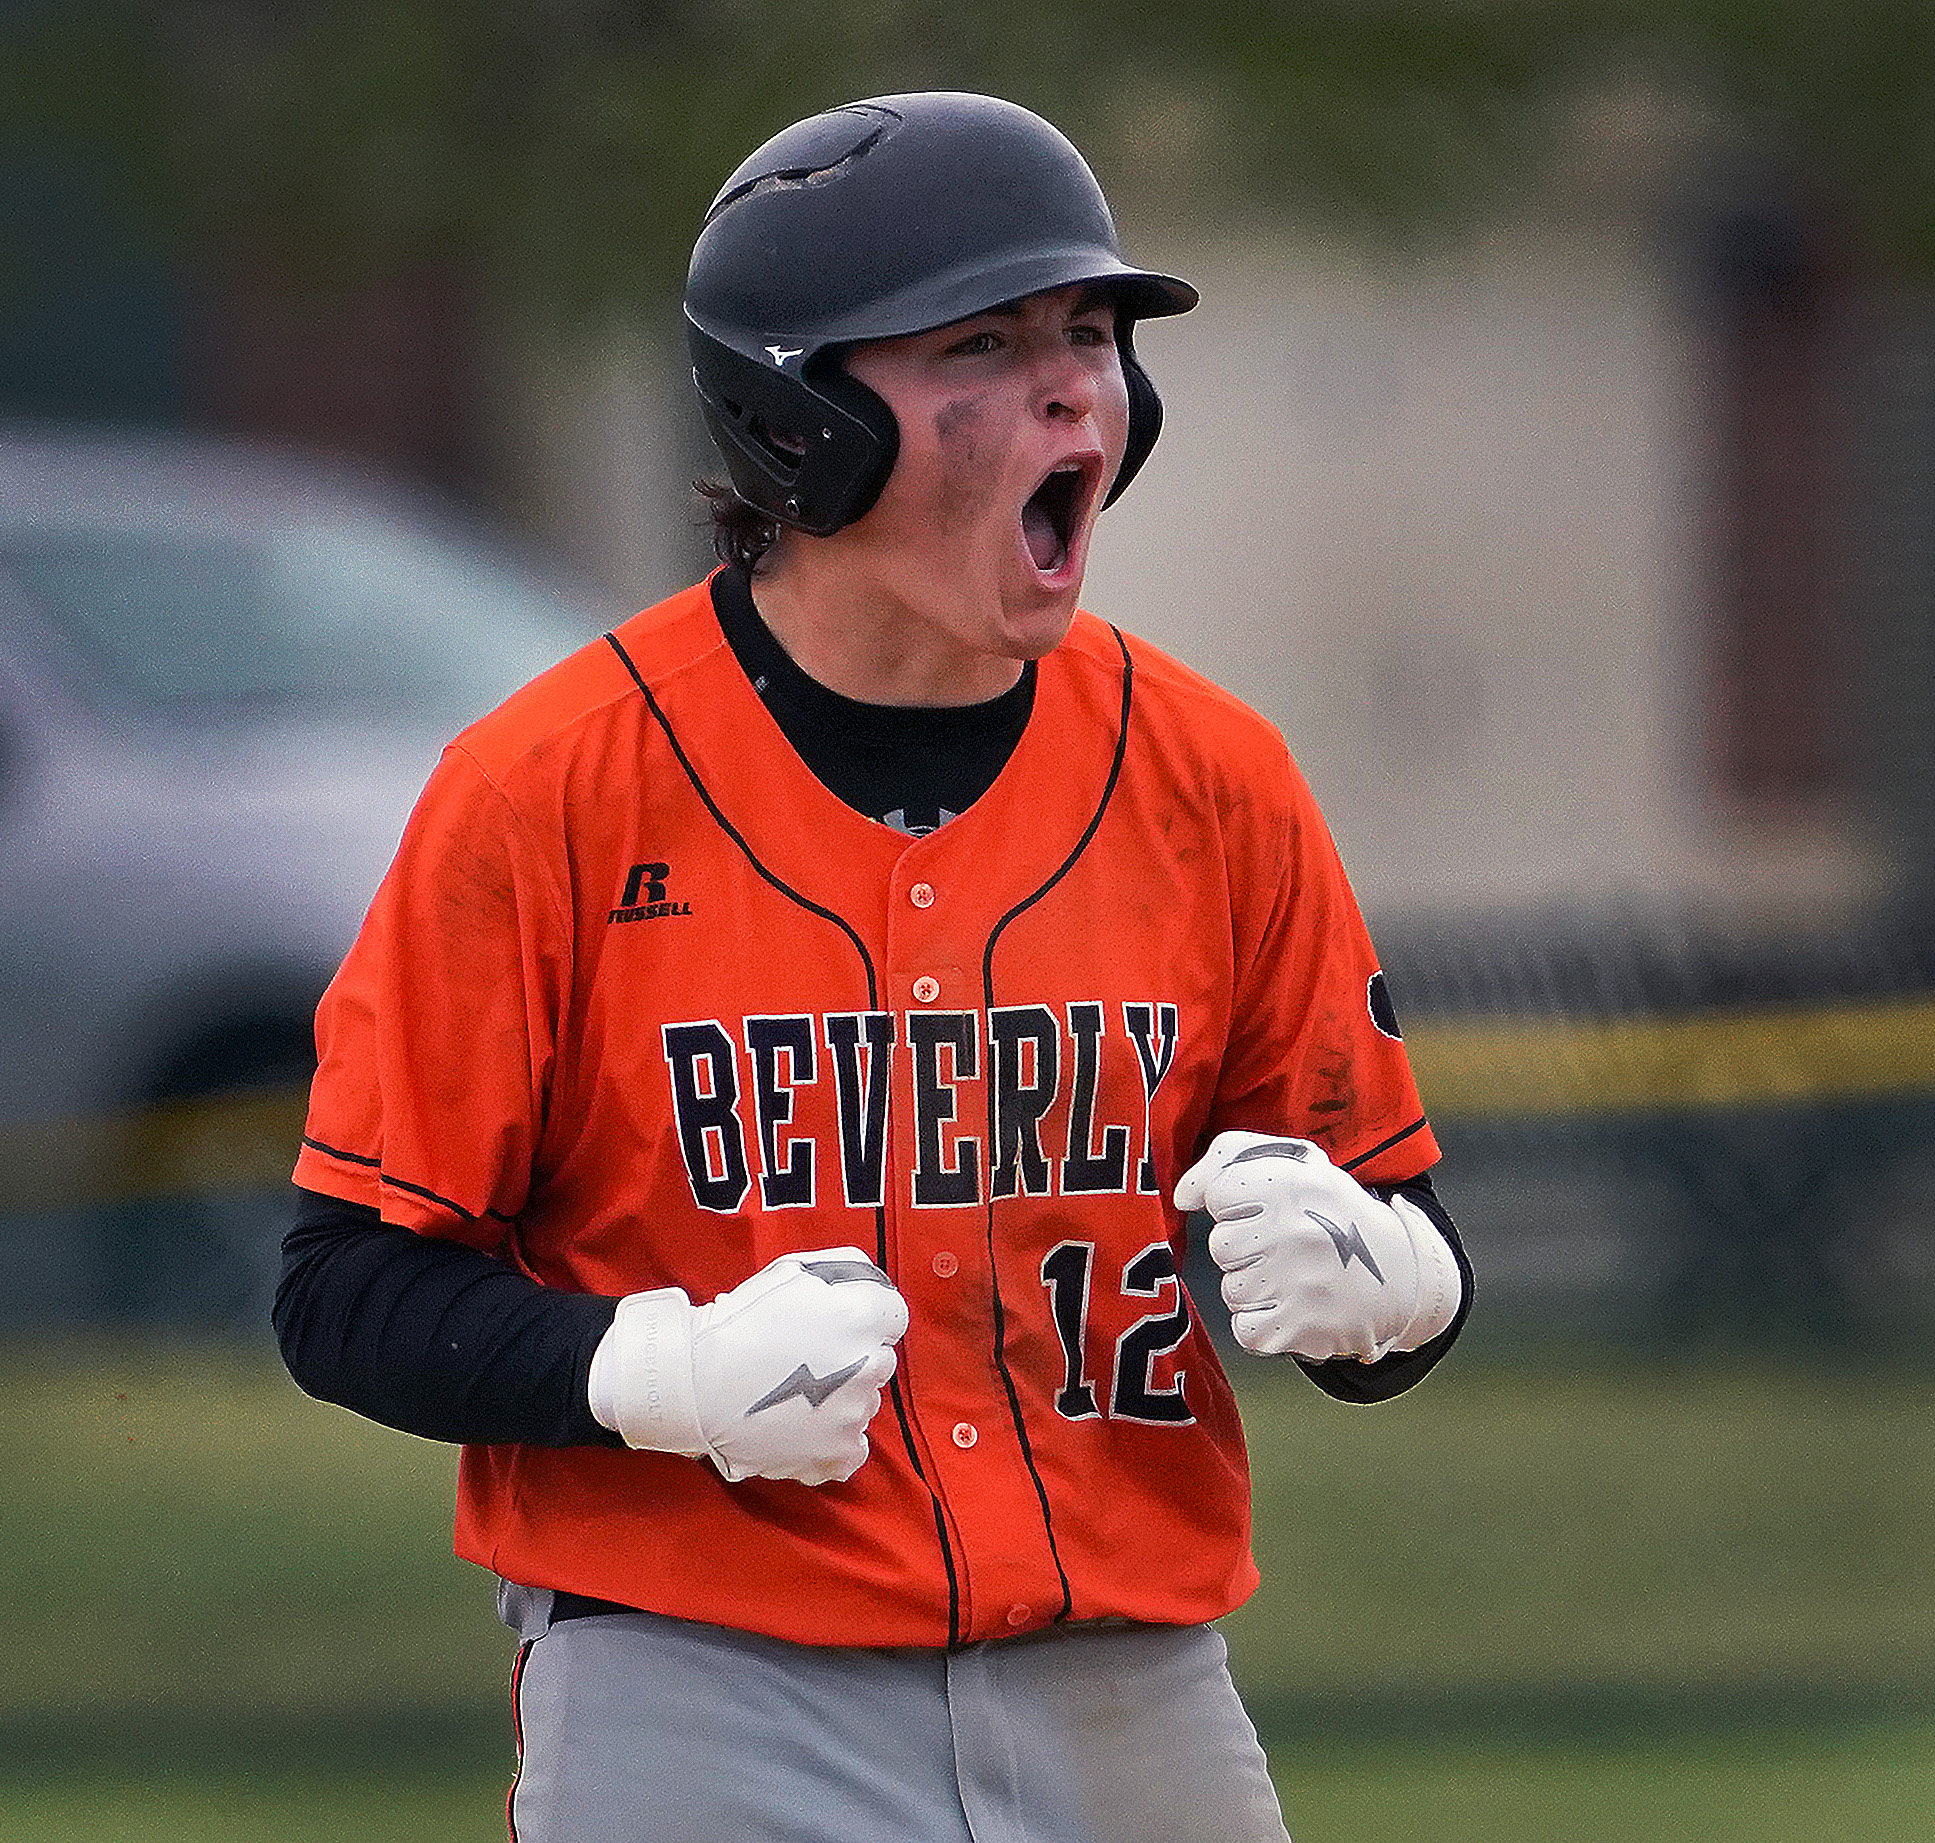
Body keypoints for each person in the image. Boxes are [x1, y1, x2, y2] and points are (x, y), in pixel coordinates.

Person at [275, 89, 1473, 1843]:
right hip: (699, 1672)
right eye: (984, 342)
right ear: (795, 420)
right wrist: (652, 1376)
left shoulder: (1213, 779)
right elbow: (345, 1291)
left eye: (1090, 336)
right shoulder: (550, 791)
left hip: (1132, 1672)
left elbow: (1397, 1239)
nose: (1078, 388)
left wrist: (1401, 1291)